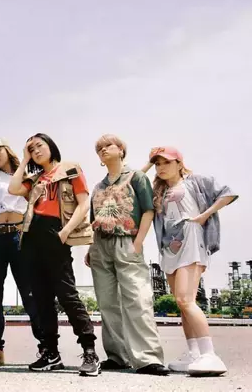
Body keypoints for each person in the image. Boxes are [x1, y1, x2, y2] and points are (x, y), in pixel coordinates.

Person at [8, 133, 100, 376]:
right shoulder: (35, 178)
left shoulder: (70, 169)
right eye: (31, 149)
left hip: (55, 233)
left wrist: (65, 231)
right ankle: (51, 353)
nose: (36, 151)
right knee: (42, 299)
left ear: (51, 146)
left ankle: (90, 351)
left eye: (39, 146)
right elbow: (13, 188)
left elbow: (83, 203)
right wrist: (24, 159)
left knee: (67, 294)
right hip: (31, 236)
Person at [146, 146, 237, 376]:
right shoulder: (158, 191)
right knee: (182, 303)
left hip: (191, 240)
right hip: (169, 247)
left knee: (186, 300)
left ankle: (210, 354)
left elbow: (227, 193)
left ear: (179, 163)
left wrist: (205, 215)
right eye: (157, 164)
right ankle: (194, 353)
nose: (161, 167)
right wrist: (147, 165)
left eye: (166, 162)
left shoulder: (195, 182)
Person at [85, 134, 169, 376]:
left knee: (137, 298)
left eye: (108, 146)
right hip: (100, 244)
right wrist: (91, 248)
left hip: (126, 240)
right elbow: (94, 220)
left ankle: (148, 358)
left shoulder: (137, 177)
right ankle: (117, 355)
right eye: (99, 148)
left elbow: (148, 210)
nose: (103, 150)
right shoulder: (99, 186)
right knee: (107, 302)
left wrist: (138, 242)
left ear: (121, 150)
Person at [0, 138, 43, 366]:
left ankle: (46, 346)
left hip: (19, 236)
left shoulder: (27, 173)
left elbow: (34, 204)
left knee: (29, 291)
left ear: (7, 150)